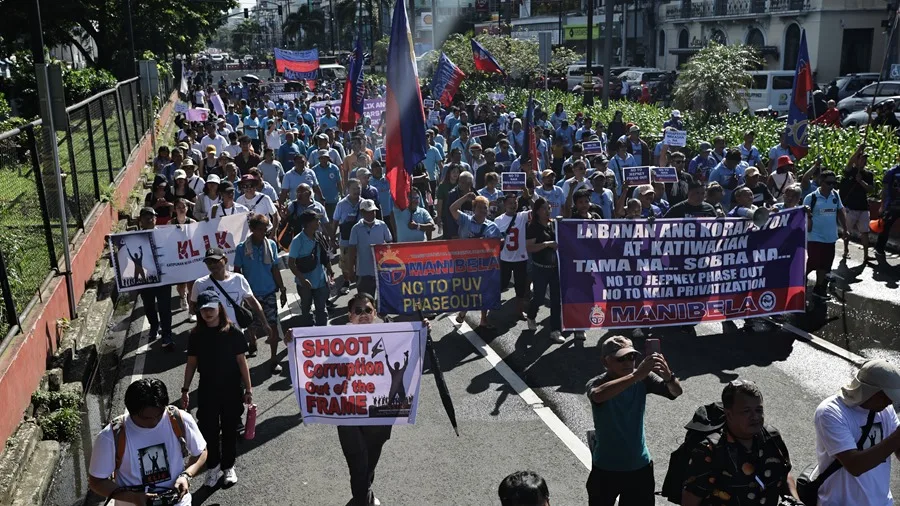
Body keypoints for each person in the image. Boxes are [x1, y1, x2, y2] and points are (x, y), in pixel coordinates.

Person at [586, 336, 682, 506]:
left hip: (639, 465)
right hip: (606, 467)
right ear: (605, 362)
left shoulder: (643, 379)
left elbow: (675, 392)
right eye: (620, 358)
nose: (628, 362)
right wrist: (636, 375)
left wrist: (669, 377)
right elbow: (598, 395)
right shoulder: (598, 382)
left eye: (631, 357)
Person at [88, 379, 207, 506]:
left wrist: (186, 476)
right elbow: (96, 481)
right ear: (131, 411)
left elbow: (201, 452)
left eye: (159, 415)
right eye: (146, 418)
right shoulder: (110, 437)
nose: (154, 422)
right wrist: (133, 498)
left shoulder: (180, 419)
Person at [681, 380, 799, 506]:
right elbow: (691, 500)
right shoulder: (710, 451)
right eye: (746, 411)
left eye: (758, 410)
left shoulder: (772, 437)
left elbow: (784, 474)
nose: (755, 417)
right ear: (729, 414)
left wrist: (795, 501)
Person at [181, 289, 253, 488]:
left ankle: (229, 467)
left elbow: (242, 362)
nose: (208, 313)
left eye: (211, 308)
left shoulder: (233, 332)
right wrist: (185, 389)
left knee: (229, 430)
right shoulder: (195, 335)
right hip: (207, 390)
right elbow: (191, 363)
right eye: (204, 310)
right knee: (208, 431)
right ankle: (212, 467)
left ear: (219, 308)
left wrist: (248, 389)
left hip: (231, 390)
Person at [813, 359, 900, 506]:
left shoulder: (886, 410)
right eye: (887, 396)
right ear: (870, 391)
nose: (890, 402)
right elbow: (855, 465)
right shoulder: (830, 412)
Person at [233, 214, 286, 372]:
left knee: (273, 325)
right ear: (252, 230)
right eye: (260, 230)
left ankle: (273, 358)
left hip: (269, 292)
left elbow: (275, 268)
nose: (264, 232)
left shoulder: (271, 245)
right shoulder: (242, 248)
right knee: (251, 324)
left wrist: (282, 288)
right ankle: (253, 341)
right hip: (250, 295)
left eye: (266, 229)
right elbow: (237, 271)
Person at [190, 247, 270, 338]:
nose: (212, 264)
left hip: (236, 332)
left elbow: (252, 302)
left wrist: (265, 323)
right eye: (209, 262)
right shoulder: (200, 284)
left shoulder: (238, 279)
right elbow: (192, 308)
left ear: (225, 260)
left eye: (215, 260)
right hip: (211, 334)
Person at [450, 193, 501, 329]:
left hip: (483, 267)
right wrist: (465, 197)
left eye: (485, 208)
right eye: (480, 207)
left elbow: (499, 244)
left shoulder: (492, 226)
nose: (483, 210)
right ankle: (463, 311)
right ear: (474, 209)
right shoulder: (465, 220)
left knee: (484, 291)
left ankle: (483, 319)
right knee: (467, 291)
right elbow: (452, 209)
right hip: (465, 265)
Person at [803, 170, 848, 299]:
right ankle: (800, 280)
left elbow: (840, 211)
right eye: (829, 183)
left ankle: (819, 288)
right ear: (821, 182)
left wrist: (845, 229)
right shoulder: (811, 198)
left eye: (834, 183)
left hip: (830, 237)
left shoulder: (835, 196)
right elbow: (803, 216)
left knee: (825, 265)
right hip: (814, 237)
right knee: (813, 262)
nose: (832, 186)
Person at [135, 207, 175, 349]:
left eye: (152, 216)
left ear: (156, 219)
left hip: (163, 279)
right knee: (149, 306)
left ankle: (167, 335)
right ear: (140, 220)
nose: (150, 219)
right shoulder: (133, 238)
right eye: (146, 216)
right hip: (146, 280)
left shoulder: (165, 234)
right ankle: (153, 325)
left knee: (165, 307)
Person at [526, 198, 564, 344]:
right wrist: (547, 244)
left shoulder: (554, 224)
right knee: (539, 298)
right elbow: (529, 248)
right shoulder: (533, 227)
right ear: (536, 211)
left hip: (555, 269)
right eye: (543, 208)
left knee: (556, 300)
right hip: (540, 269)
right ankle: (531, 314)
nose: (547, 210)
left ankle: (555, 330)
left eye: (548, 207)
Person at [288, 209, 333, 327]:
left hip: (320, 280)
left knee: (321, 309)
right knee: (306, 310)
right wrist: (302, 280)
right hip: (305, 283)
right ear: (308, 223)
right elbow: (291, 263)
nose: (319, 222)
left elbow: (324, 255)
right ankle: (309, 336)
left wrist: (329, 269)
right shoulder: (298, 240)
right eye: (316, 220)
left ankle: (323, 336)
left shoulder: (318, 236)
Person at [348, 199, 392, 298]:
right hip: (364, 271)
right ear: (362, 213)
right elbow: (352, 250)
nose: (371, 214)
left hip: (381, 270)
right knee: (365, 299)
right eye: (368, 212)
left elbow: (389, 243)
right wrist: (351, 269)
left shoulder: (382, 225)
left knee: (384, 298)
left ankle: (382, 314)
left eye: (373, 212)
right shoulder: (356, 229)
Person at [840, 146, 875, 260]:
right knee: (847, 231)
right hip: (851, 207)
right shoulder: (850, 171)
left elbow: (870, 189)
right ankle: (845, 250)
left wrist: (861, 182)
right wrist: (859, 149)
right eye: (861, 159)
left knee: (865, 232)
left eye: (865, 160)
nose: (864, 162)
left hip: (863, 207)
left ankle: (866, 255)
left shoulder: (868, 174)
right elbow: (849, 162)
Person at [876, 163, 900, 257]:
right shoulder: (892, 172)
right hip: (892, 205)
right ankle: (879, 249)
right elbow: (885, 190)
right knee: (885, 227)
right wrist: (882, 206)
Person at [314, 149, 344, 219]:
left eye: (325, 158)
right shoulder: (314, 170)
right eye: (321, 158)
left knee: (332, 219)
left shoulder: (334, 168)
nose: (323, 160)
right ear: (319, 159)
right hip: (319, 201)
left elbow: (339, 182)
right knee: (321, 221)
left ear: (328, 158)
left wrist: (342, 194)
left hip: (333, 199)